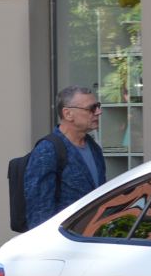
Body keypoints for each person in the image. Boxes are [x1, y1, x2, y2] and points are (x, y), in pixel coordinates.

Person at [24, 85, 106, 229]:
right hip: (66, 243)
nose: (98, 112)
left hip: (93, 238)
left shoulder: (94, 148)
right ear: (68, 114)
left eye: (98, 106)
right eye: (91, 108)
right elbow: (39, 212)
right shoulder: (48, 150)